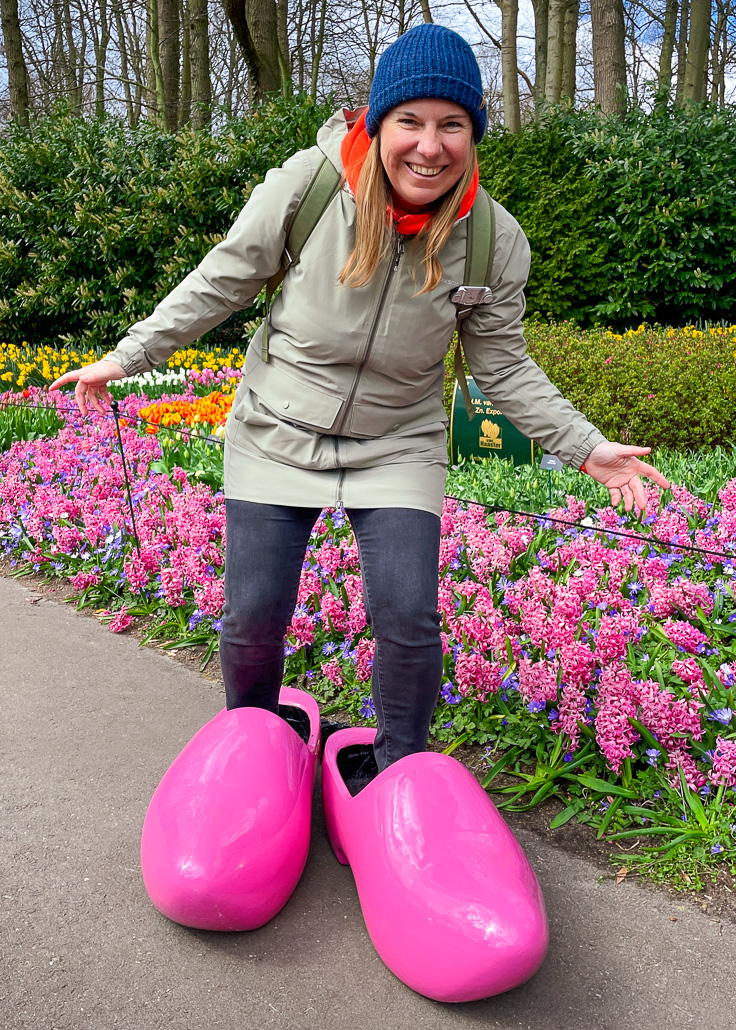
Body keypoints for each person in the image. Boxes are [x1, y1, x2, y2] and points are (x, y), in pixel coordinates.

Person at [51, 23, 670, 776]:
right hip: (277, 429)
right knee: (252, 618)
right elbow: (220, 282)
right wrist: (126, 357)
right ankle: (252, 752)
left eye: (452, 125)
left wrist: (587, 446)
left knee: (408, 618)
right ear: (378, 122)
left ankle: (398, 772)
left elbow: (502, 366)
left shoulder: (492, 240)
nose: (429, 145)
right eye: (409, 120)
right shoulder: (306, 188)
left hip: (396, 442)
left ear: (473, 135)